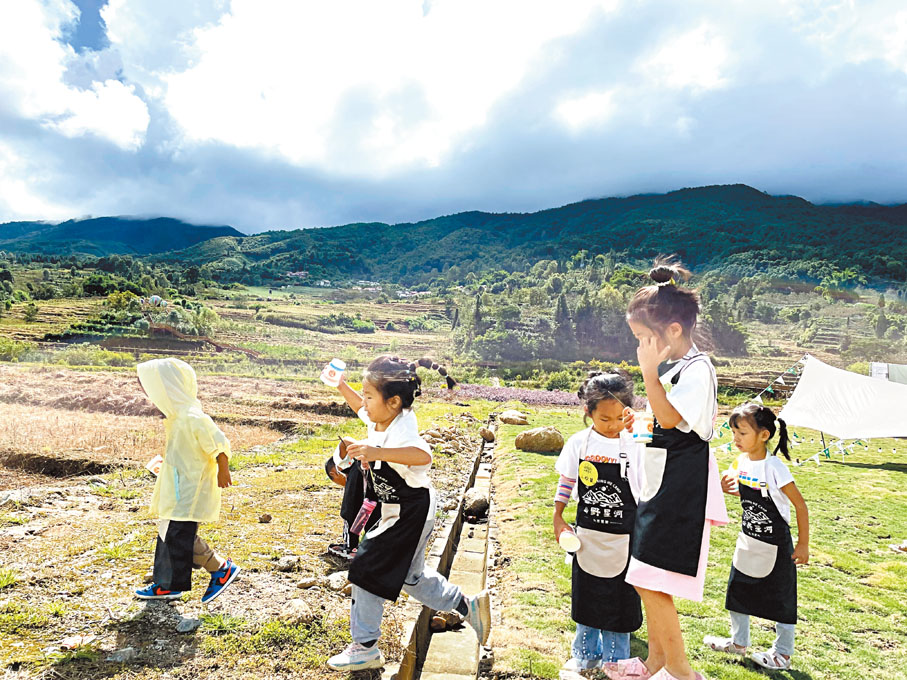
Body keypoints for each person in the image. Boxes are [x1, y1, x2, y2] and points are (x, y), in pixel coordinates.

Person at [605, 258, 729, 680]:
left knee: (652, 579)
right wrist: (638, 422)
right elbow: (664, 421)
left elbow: (675, 421)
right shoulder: (678, 368)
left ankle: (681, 672)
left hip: (680, 490)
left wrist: (647, 376)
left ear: (672, 331)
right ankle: (656, 662)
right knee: (644, 577)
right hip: (661, 485)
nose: (640, 347)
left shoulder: (698, 370)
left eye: (644, 338)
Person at [326, 356, 490, 672]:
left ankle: (365, 646)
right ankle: (467, 606)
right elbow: (360, 408)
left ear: (394, 401)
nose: (364, 402)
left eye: (369, 395)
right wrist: (340, 385)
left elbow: (422, 455)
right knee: (412, 577)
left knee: (366, 566)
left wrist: (377, 453)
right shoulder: (381, 417)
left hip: (409, 511)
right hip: (401, 509)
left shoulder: (402, 430)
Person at [704, 403, 810, 671]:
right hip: (748, 540)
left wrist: (803, 544)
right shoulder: (740, 462)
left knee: (781, 599)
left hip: (776, 545)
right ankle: (738, 642)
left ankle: (782, 654)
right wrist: (725, 489)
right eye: (733, 433)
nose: (735, 439)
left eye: (741, 433)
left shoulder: (774, 467)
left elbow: (800, 505)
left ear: (763, 435)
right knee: (736, 591)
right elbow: (746, 494)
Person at [553, 370, 644, 673]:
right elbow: (567, 481)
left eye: (619, 418)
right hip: (587, 537)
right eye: (604, 419)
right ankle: (584, 656)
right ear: (588, 412)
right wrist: (558, 516)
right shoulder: (579, 443)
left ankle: (617, 663)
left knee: (620, 602)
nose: (613, 426)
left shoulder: (635, 445)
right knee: (587, 598)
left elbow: (646, 490)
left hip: (625, 538)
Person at [134, 358, 241, 605]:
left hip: (190, 488)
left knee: (176, 534)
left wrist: (223, 468)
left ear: (170, 388)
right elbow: (185, 452)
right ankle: (167, 581)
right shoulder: (177, 417)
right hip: (178, 485)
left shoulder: (192, 416)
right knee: (169, 532)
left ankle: (217, 569)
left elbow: (218, 442)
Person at [325, 439, 382, 560]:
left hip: (362, 496)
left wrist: (363, 451)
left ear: (334, 473)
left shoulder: (341, 463)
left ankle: (351, 547)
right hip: (372, 496)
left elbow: (345, 440)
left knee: (349, 513)